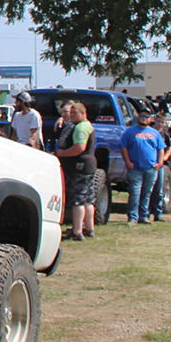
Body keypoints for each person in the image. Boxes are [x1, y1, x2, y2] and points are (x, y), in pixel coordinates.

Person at [57, 101, 96, 240]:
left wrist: (61, 153)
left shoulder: (81, 128)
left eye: (75, 113)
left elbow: (79, 148)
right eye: (71, 113)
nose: (71, 115)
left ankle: (77, 231)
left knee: (77, 200)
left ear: (83, 113)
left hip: (80, 167)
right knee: (88, 199)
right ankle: (89, 228)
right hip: (88, 166)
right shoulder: (86, 126)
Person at [119, 110, 165, 224]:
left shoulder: (155, 133)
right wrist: (128, 162)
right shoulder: (130, 132)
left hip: (151, 168)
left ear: (151, 119)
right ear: (138, 117)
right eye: (141, 115)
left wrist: (159, 163)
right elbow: (123, 147)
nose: (144, 118)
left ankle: (144, 216)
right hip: (135, 168)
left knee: (147, 193)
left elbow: (161, 148)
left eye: (147, 116)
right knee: (135, 193)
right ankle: (132, 217)